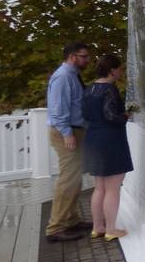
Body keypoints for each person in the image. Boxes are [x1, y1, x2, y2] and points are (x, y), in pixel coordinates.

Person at [82, 54, 134, 241]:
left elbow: (85, 115)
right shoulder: (109, 89)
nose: (121, 72)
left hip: (93, 139)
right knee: (113, 188)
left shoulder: (89, 89)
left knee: (99, 187)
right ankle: (111, 229)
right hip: (110, 140)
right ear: (112, 70)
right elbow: (111, 115)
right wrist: (126, 115)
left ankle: (98, 227)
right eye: (119, 68)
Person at [45, 42, 93, 242]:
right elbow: (57, 110)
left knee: (74, 178)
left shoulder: (72, 76)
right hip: (66, 131)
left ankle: (71, 219)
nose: (87, 60)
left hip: (74, 129)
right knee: (67, 179)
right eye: (84, 56)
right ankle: (56, 227)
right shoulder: (63, 77)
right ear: (73, 57)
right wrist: (67, 133)